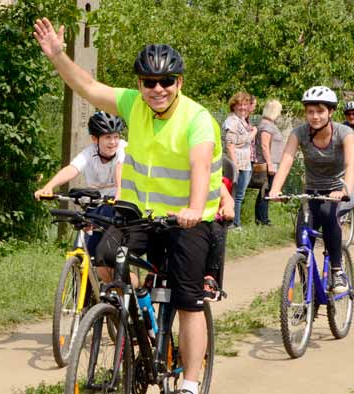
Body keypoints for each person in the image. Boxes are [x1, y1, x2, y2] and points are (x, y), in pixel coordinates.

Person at [34, 18, 220, 394]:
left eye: (166, 81)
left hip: (188, 220)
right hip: (138, 214)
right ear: (140, 85)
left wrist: (194, 209)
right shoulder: (133, 104)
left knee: (187, 300)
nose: (157, 89)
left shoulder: (197, 119)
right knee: (104, 258)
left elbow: (201, 167)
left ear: (179, 83)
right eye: (149, 82)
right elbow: (87, 86)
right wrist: (57, 56)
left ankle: (190, 382)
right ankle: (135, 322)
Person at [269, 86, 354, 294]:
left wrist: (345, 189)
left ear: (331, 112)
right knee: (302, 237)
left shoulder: (344, 133)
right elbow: (287, 160)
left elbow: (351, 164)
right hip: (313, 192)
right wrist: (275, 189)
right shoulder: (299, 133)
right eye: (310, 112)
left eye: (320, 111)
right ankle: (308, 290)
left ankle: (337, 270)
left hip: (340, 190)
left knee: (328, 214)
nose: (315, 116)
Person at [34, 111, 127, 275]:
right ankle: (85, 292)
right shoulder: (89, 152)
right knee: (87, 249)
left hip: (118, 204)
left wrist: (120, 191)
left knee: (106, 259)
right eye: (107, 137)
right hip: (97, 204)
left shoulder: (123, 148)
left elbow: (121, 167)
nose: (113, 142)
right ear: (95, 139)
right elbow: (72, 169)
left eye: (115, 136)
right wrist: (49, 186)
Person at [223, 92, 256, 229]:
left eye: (245, 104)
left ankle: (236, 222)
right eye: (239, 105)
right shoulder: (232, 121)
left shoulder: (242, 120)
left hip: (245, 162)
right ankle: (233, 224)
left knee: (240, 195)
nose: (243, 107)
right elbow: (230, 144)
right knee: (235, 195)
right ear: (234, 106)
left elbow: (242, 142)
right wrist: (234, 165)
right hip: (237, 163)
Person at [254, 99, 283, 226]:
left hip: (271, 163)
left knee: (265, 191)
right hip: (267, 164)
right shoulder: (267, 125)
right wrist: (270, 163)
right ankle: (263, 220)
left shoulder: (266, 124)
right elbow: (265, 146)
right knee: (266, 191)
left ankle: (262, 219)